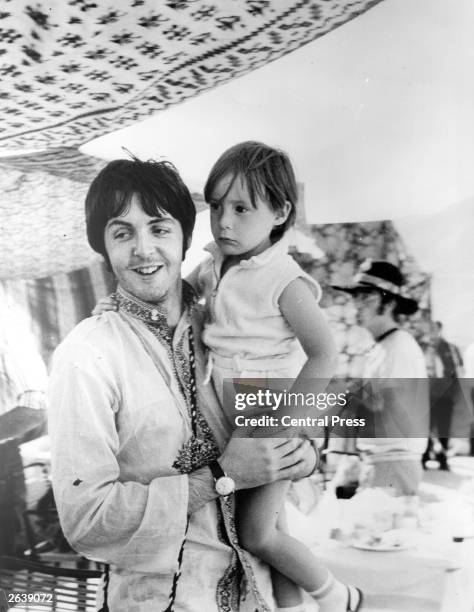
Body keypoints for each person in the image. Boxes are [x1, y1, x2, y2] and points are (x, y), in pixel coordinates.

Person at [93, 144, 364, 612]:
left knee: (257, 531)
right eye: (216, 206)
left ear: (280, 212)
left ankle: (339, 597)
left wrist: (284, 425)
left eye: (241, 208)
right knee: (270, 527)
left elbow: (324, 353)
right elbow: (172, 290)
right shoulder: (217, 263)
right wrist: (116, 305)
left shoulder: (284, 278)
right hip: (231, 406)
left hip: (267, 407)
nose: (224, 221)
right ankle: (293, 607)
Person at [333, 259, 430, 496]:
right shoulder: (383, 346)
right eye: (355, 296)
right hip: (380, 460)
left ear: (389, 304)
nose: (357, 304)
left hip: (393, 462)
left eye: (367, 297)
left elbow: (384, 406)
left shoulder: (399, 347)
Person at [422, 321, 464, 470]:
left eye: (435, 329)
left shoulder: (450, 349)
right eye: (430, 329)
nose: (432, 332)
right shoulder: (424, 347)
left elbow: (459, 370)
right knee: (425, 425)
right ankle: (425, 455)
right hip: (427, 393)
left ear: (440, 329)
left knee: (444, 427)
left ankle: (442, 458)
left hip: (446, 394)